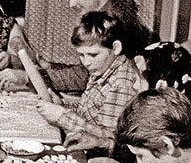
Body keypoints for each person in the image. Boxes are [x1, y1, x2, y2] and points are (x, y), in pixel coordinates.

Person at [0, 0, 152, 94]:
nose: (71, 4)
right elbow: (89, 68)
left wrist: (29, 76)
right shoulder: (108, 14)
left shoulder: (113, 23)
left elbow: (84, 77)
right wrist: (51, 67)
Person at [36, 11, 147, 154]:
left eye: (93, 55)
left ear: (116, 48)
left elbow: (110, 138)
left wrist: (62, 117)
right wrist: (62, 104)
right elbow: (88, 109)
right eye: (81, 55)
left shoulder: (121, 84)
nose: (86, 62)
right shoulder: (103, 69)